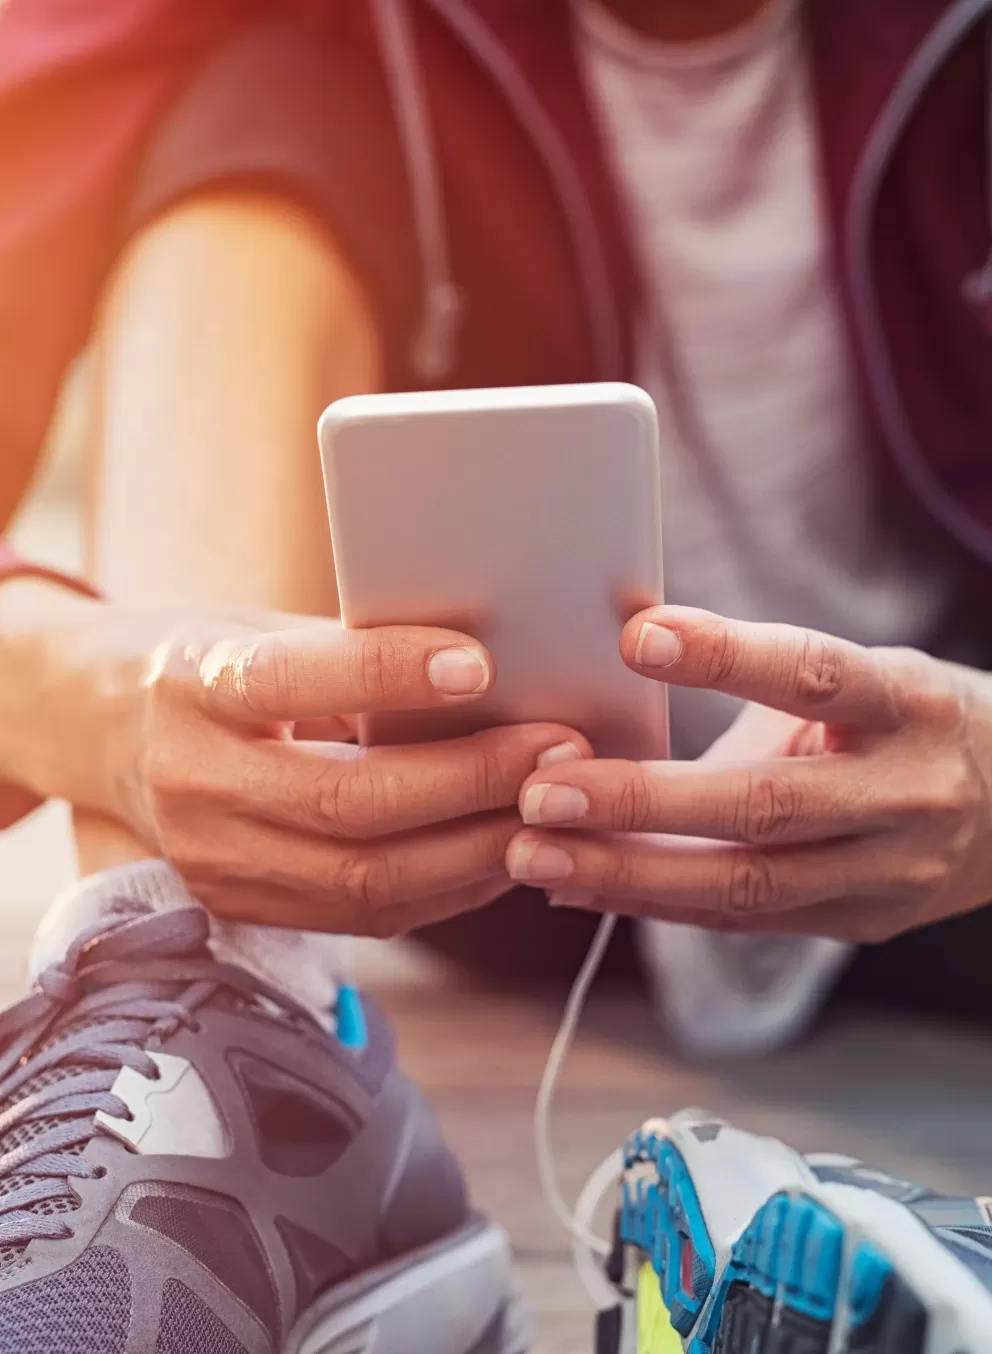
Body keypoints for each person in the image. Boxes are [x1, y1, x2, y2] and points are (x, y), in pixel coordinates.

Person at [1, 0, 992, 1349]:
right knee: (263, 90)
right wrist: (73, 687)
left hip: (958, 858)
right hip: (472, 849)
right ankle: (203, 1021)